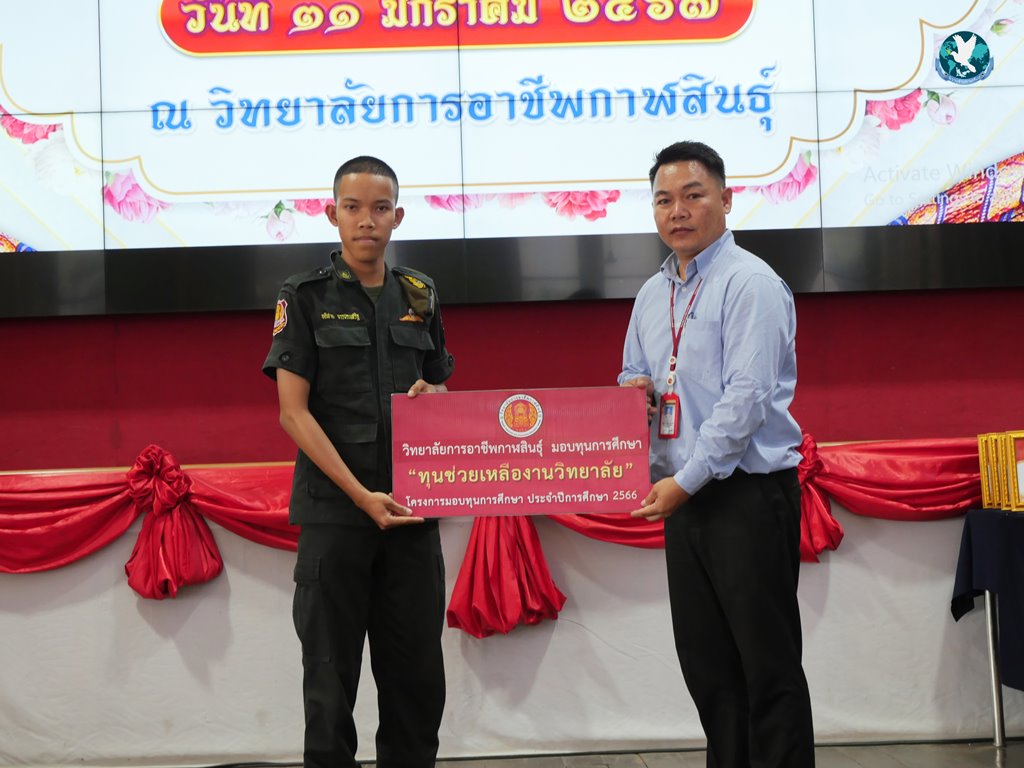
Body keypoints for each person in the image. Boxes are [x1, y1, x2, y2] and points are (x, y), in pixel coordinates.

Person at [618, 141, 814, 768]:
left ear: (726, 200)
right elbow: (632, 373)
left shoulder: (750, 283)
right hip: (685, 497)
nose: (677, 210)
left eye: (693, 195)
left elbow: (746, 400)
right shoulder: (652, 293)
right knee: (710, 671)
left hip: (745, 498)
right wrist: (635, 393)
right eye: (663, 199)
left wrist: (687, 481)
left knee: (768, 670)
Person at [262, 155, 454, 768]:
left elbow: (440, 385)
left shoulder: (420, 294)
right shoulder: (304, 296)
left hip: (412, 515)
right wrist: (359, 495)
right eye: (353, 208)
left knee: (416, 684)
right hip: (335, 517)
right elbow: (293, 414)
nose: (366, 220)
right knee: (329, 682)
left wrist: (436, 395)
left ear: (398, 216)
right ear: (332, 214)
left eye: (379, 208)